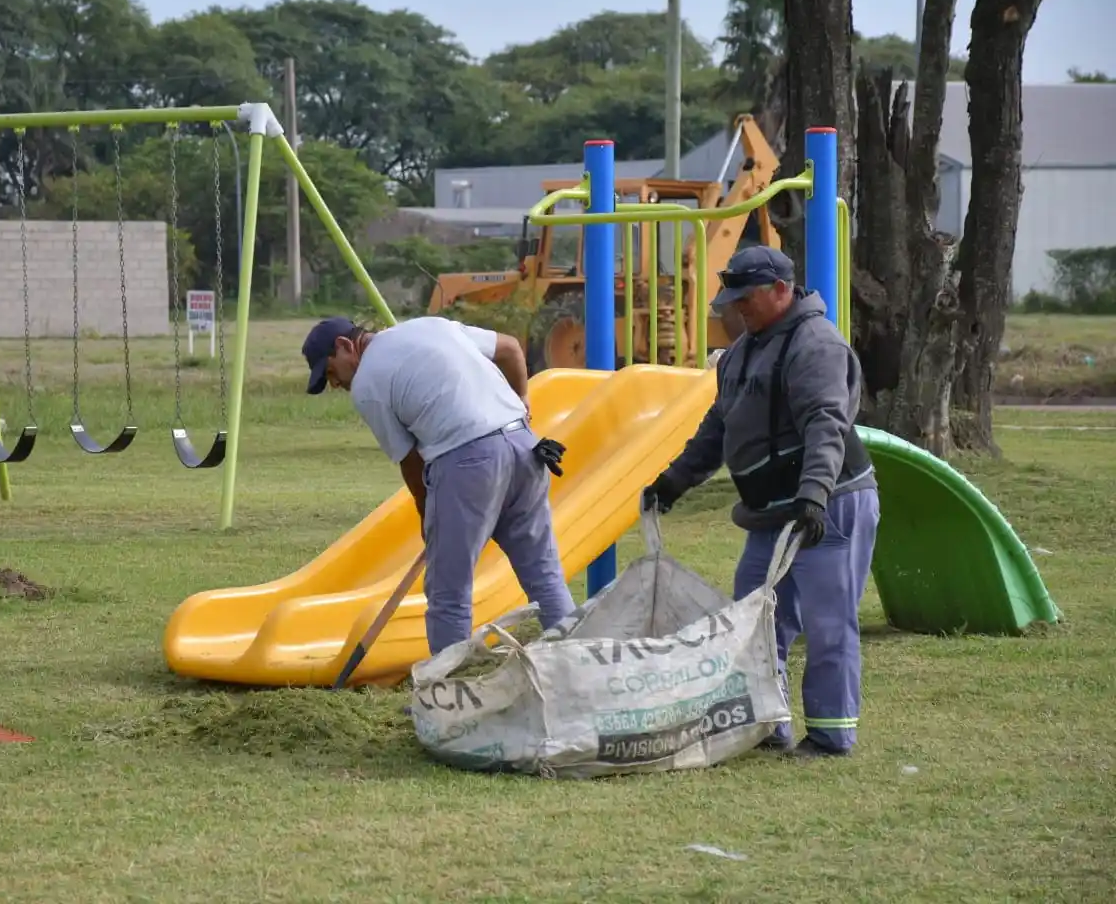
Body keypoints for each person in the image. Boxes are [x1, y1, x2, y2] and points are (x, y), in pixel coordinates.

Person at [643, 245, 881, 759]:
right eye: (732, 301)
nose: (737, 310)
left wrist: (813, 496)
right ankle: (765, 725)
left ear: (780, 290)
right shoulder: (744, 349)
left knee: (827, 622)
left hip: (828, 503)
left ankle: (830, 736)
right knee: (754, 618)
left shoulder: (815, 344)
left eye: (745, 299)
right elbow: (718, 427)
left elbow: (826, 425)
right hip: (772, 510)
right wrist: (674, 481)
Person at [301, 315, 577, 656]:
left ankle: (446, 692)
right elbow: (509, 347)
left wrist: (427, 517)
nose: (335, 384)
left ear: (345, 347)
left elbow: (411, 463)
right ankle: (576, 668)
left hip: (468, 462)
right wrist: (522, 396)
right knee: (543, 574)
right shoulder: (431, 325)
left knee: (449, 591)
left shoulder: (367, 384)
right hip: (525, 447)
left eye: (330, 373)